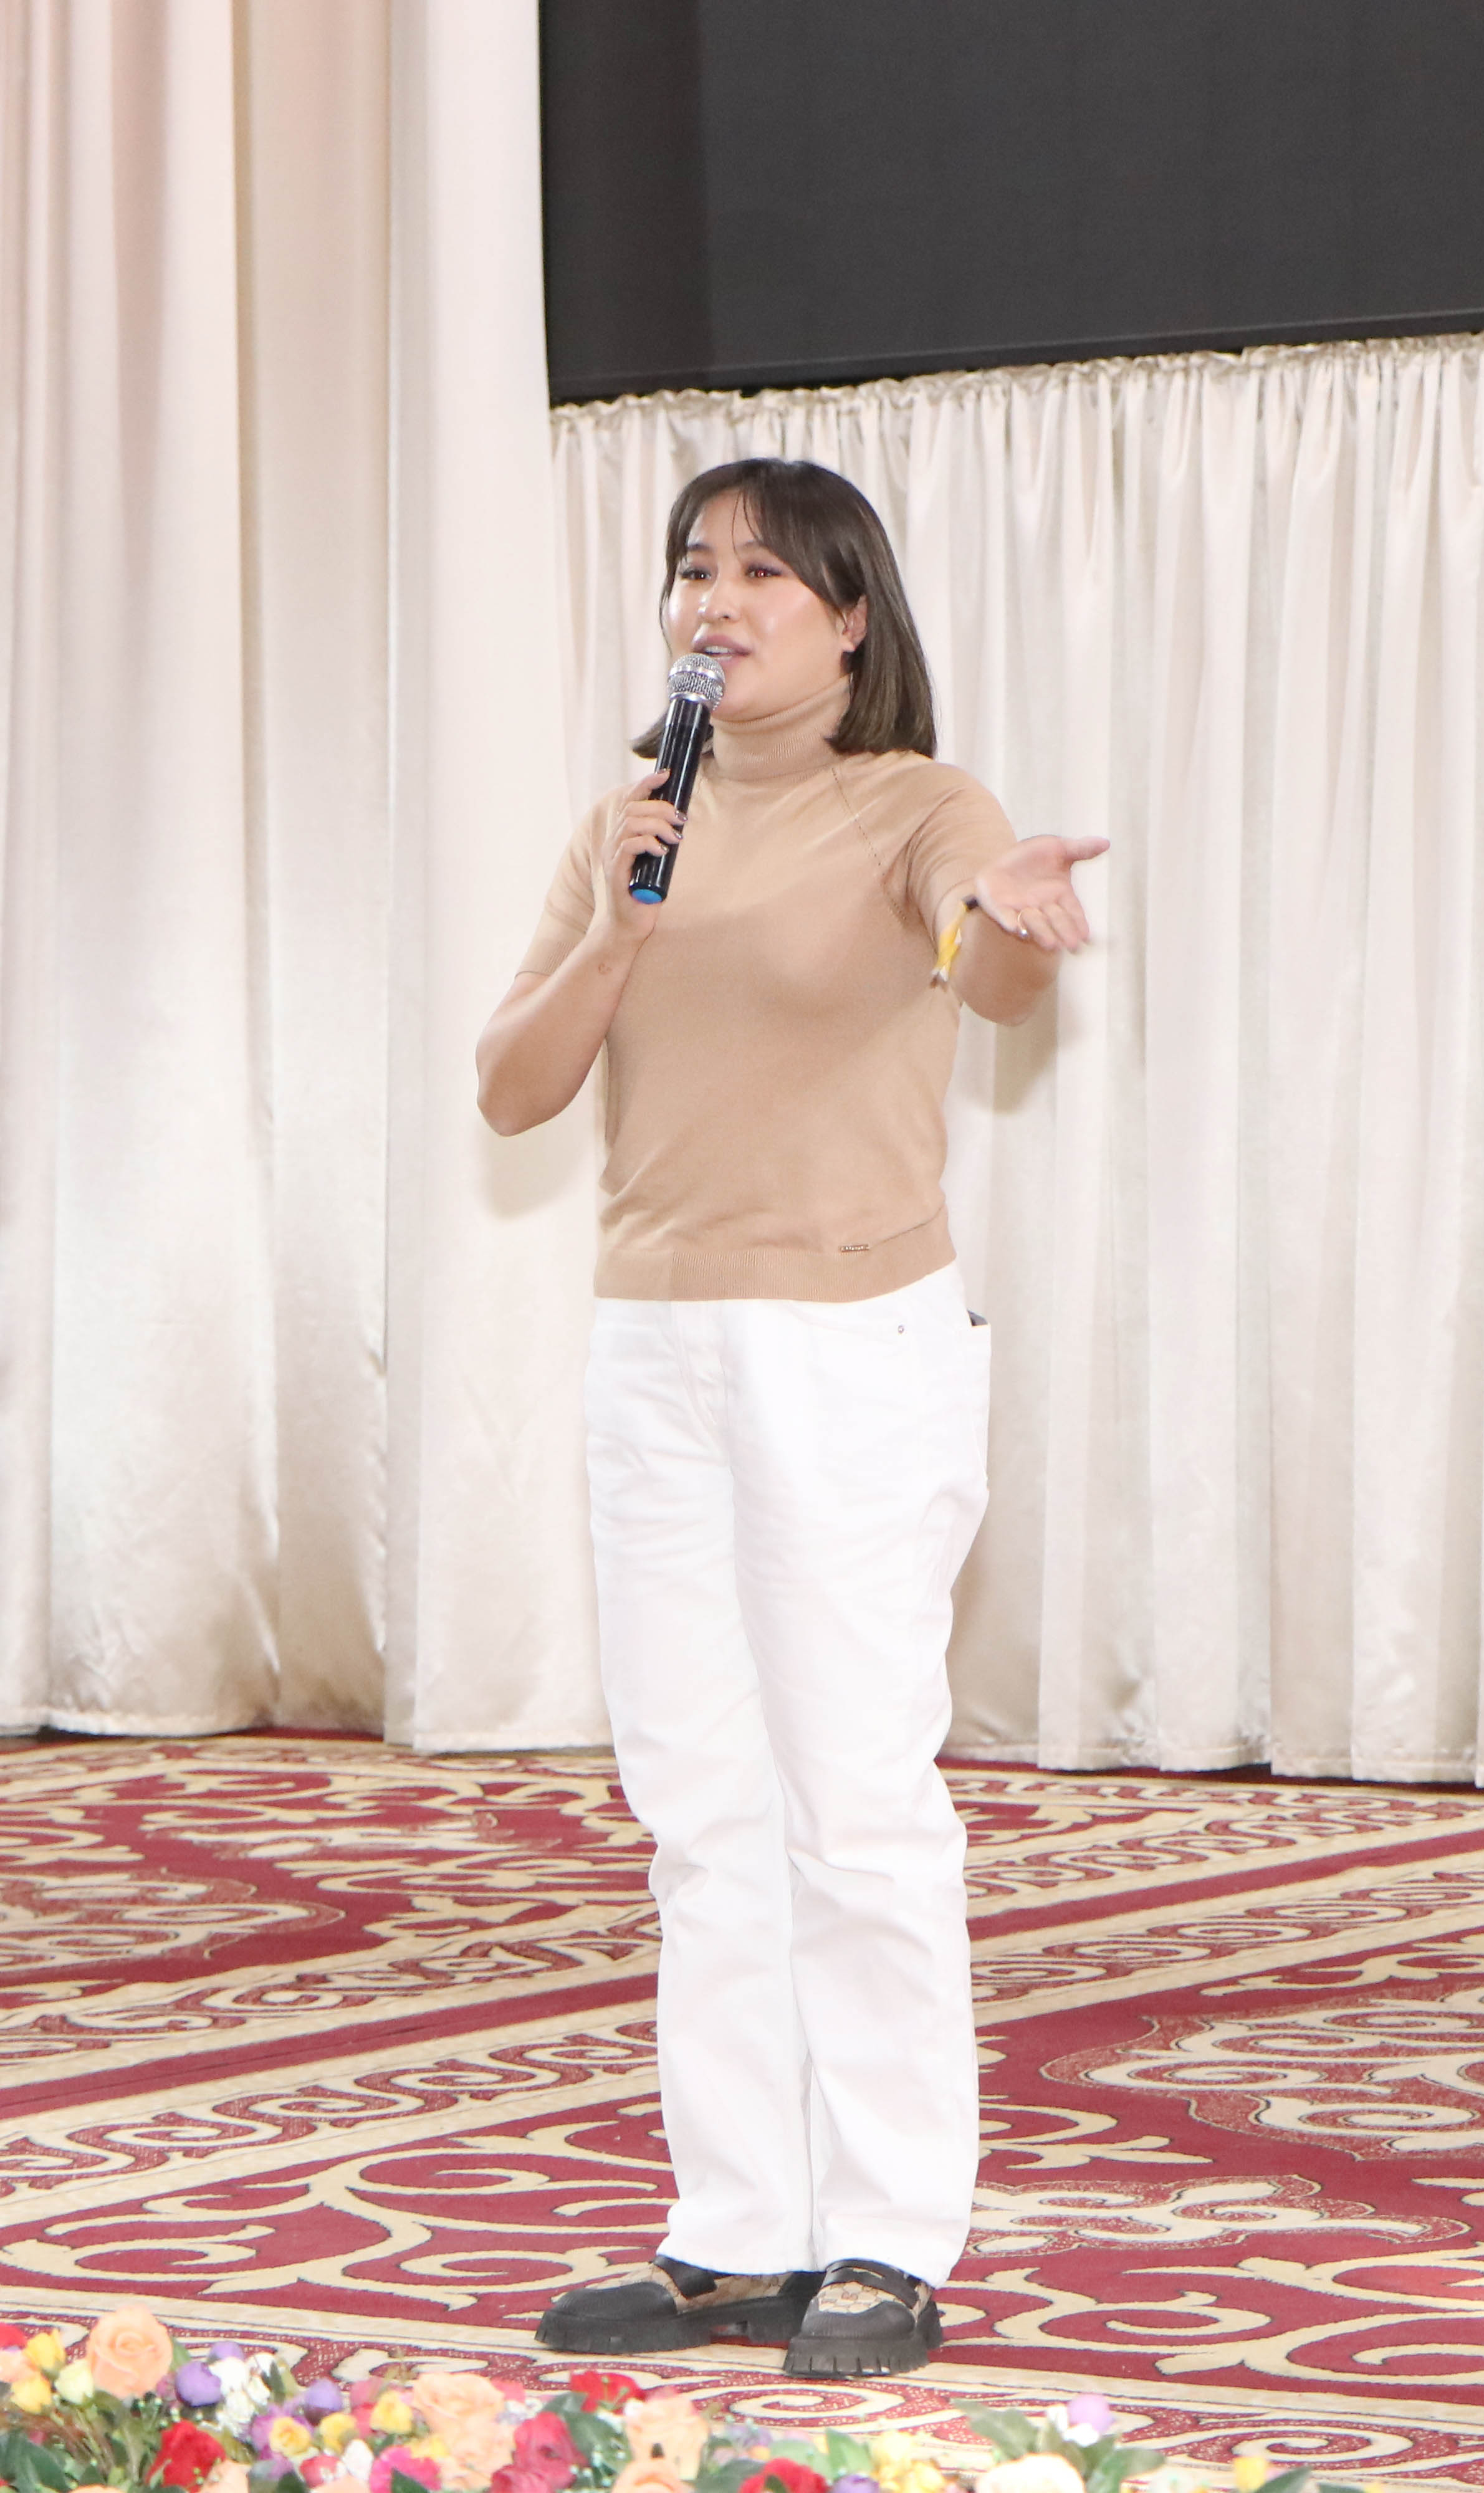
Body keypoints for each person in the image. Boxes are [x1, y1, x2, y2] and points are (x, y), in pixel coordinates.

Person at [474, 459, 1106, 2378]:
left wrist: (1012, 915)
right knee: (699, 1805)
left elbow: (994, 971)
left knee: (853, 1803)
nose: (716, 601)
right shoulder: (626, 830)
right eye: (694, 569)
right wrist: (619, 930)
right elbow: (511, 1091)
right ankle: (741, 2230)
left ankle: (892, 2237)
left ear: (848, 619)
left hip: (849, 1347)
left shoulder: (916, 806)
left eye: (762, 572)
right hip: (654, 1344)